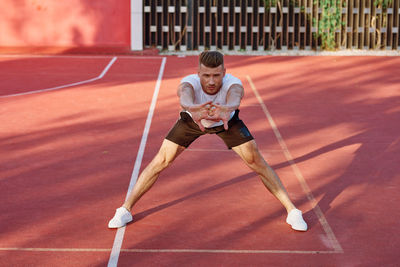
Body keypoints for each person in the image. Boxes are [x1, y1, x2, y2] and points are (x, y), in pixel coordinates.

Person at [108, 51, 307, 231]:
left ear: (224, 72)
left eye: (216, 75)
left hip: (226, 122)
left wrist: (227, 109)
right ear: (198, 73)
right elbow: (184, 95)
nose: (211, 81)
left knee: (257, 162)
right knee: (161, 161)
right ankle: (125, 209)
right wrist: (192, 108)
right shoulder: (189, 82)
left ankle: (292, 211)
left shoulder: (233, 83)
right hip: (192, 121)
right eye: (206, 75)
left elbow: (235, 98)